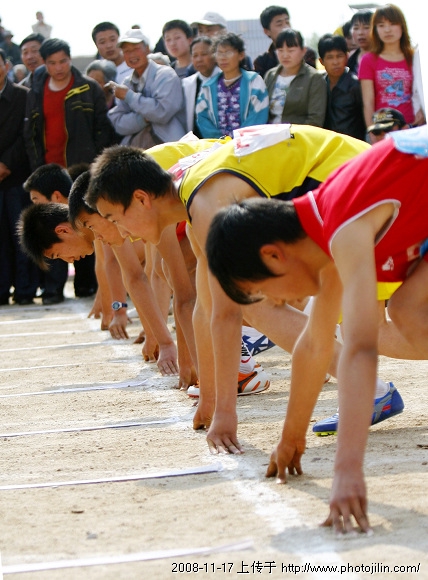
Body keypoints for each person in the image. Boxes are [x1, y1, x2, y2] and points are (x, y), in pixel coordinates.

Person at [84, 124, 370, 448]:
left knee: (254, 304)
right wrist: (209, 399)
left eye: (114, 219)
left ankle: (364, 385)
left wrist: (225, 413)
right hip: (345, 178)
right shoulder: (191, 200)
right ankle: (363, 382)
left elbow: (226, 315)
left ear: (141, 199)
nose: (120, 233)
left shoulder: (205, 205)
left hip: (360, 180)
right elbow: (205, 308)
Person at [205, 125, 428, 533]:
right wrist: (292, 436)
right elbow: (314, 345)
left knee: (406, 311)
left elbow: (360, 350)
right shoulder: (325, 229)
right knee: (408, 310)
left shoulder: (343, 226)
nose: (273, 302)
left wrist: (347, 470)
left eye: (262, 291)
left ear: (273, 255)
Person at [0, 48, 39, 305]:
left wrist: (6, 163)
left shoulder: (23, 96)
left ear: (6, 65)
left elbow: (27, 136)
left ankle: (25, 290)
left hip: (17, 178)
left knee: (20, 235)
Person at [107, 29, 186, 147]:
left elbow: (161, 113)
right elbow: (118, 123)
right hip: (138, 148)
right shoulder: (127, 83)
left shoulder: (165, 75)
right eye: (127, 51)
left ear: (147, 49)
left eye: (136, 49)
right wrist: (144, 118)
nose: (132, 55)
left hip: (168, 146)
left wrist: (129, 96)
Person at [359, 4, 415, 144]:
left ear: (402, 26)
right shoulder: (368, 60)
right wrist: (372, 131)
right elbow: (368, 102)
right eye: (381, 25)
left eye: (392, 24)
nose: (387, 30)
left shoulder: (414, 57)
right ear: (375, 29)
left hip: (412, 128)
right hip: (382, 131)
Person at [195, 33, 269, 138]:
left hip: (249, 143)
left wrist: (240, 139)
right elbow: (202, 117)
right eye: (219, 53)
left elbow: (258, 113)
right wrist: (220, 141)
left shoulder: (254, 81)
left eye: (228, 52)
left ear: (241, 55)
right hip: (218, 145)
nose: (223, 58)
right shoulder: (207, 88)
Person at [264, 29, 326, 127]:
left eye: (291, 50)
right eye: (280, 50)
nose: (285, 55)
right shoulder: (270, 75)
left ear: (303, 51)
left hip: (298, 134)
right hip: (269, 133)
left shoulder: (314, 78)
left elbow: (315, 119)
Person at [318, 34, 366, 141]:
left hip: (351, 144)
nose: (335, 62)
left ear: (346, 57)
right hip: (325, 144)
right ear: (321, 61)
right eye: (330, 57)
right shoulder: (319, 84)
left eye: (339, 56)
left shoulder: (356, 85)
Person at [182, 36, 220, 136]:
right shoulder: (186, 84)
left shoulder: (226, 79)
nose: (199, 59)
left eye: (204, 54)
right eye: (195, 55)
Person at [254, 5, 291, 78]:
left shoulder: (306, 54)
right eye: (279, 24)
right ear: (266, 31)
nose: (286, 27)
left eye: (287, 22)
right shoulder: (261, 62)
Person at [347, 10, 373, 75]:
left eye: (366, 27)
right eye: (356, 28)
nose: (360, 33)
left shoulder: (385, 56)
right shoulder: (350, 58)